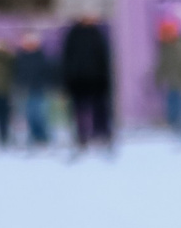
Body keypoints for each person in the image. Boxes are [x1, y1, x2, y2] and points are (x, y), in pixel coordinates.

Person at [59, 13, 114, 155]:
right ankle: (81, 136)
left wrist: (105, 77)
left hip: (96, 78)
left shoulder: (97, 33)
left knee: (99, 108)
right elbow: (67, 58)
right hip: (78, 79)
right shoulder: (73, 34)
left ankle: (101, 134)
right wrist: (67, 79)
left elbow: (104, 57)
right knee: (79, 109)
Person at [153, 18, 181, 139]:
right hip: (172, 83)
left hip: (180, 83)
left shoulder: (178, 47)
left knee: (179, 108)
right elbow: (162, 66)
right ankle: (176, 130)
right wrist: (158, 79)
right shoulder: (165, 49)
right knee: (173, 108)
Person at [12, 31, 57, 147]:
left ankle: (42, 136)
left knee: (40, 114)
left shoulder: (41, 56)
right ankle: (34, 136)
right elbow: (18, 72)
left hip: (39, 88)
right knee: (29, 114)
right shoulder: (21, 56)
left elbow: (47, 72)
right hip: (26, 89)